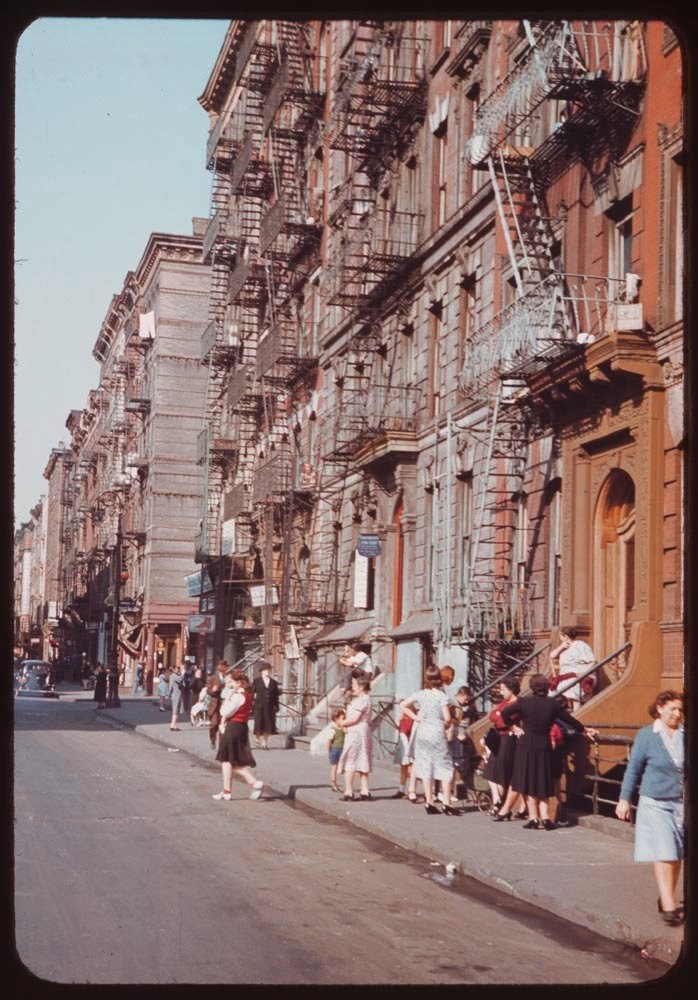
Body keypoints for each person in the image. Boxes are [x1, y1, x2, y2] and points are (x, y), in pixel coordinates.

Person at [615, 691, 685, 926]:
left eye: (680, 710)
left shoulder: (686, 735)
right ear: (660, 708)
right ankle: (668, 906)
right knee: (665, 851)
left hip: (681, 803)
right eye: (673, 708)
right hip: (654, 801)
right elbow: (633, 769)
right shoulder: (647, 735)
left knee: (677, 855)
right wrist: (624, 799)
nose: (677, 714)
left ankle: (666, 897)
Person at [496, 673, 597, 829]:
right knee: (542, 781)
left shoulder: (524, 702)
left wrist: (514, 727)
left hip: (525, 745)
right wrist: (585, 730)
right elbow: (569, 720)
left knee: (528, 782)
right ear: (546, 688)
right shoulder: (553, 704)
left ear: (532, 688)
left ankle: (533, 818)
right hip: (543, 745)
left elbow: (505, 714)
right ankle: (546, 818)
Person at [400, 664, 458, 815]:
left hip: (423, 732)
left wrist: (416, 718)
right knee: (445, 766)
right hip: (437, 732)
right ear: (439, 678)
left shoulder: (420, 694)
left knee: (426, 765)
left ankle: (429, 801)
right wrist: (447, 724)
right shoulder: (441, 696)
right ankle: (447, 802)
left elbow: (403, 705)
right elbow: (446, 718)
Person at [212, 670, 264, 801]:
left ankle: (251, 783)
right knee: (230, 760)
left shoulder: (237, 696)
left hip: (233, 727)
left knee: (227, 760)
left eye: (233, 682)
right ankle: (228, 790)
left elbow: (225, 711)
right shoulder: (248, 695)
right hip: (241, 727)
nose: (231, 685)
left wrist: (227, 699)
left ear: (239, 683)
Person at [482, 678, 522, 816]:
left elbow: (502, 721)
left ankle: (500, 805)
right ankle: (497, 801)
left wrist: (499, 715)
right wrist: (498, 715)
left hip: (508, 739)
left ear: (511, 689)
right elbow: (492, 716)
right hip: (499, 738)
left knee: (501, 772)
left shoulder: (517, 703)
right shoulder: (504, 703)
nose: (501, 692)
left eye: (503, 689)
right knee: (490, 770)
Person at [337, 668, 373, 801]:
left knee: (350, 760)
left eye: (354, 685)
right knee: (362, 759)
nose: (352, 687)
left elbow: (354, 719)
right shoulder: (360, 699)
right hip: (359, 731)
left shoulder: (363, 699)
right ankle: (364, 790)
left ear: (362, 686)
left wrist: (342, 723)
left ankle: (348, 791)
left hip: (356, 732)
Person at [549, 626, 597, 712]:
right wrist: (561, 647)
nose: (560, 638)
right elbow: (552, 656)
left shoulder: (580, 645)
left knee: (572, 685)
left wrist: (583, 673)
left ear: (566, 637)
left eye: (561, 636)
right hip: (565, 677)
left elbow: (592, 661)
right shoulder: (564, 647)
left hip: (581, 675)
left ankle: (576, 713)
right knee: (551, 690)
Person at [251, 660, 281, 750]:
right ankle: (257, 738)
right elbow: (252, 693)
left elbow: (275, 696)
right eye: (265, 670)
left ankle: (265, 743)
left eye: (269, 670)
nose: (267, 672)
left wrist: (276, 706)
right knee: (259, 722)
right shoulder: (257, 681)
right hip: (259, 706)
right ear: (262, 671)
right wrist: (252, 704)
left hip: (269, 707)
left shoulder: (273, 682)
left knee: (268, 724)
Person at [392, 703, 415, 799]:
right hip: (404, 744)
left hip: (409, 745)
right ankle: (402, 789)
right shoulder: (404, 718)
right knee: (404, 768)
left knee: (411, 769)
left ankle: (411, 790)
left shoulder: (409, 718)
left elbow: (404, 732)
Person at [206, 660, 229, 751]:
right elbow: (208, 690)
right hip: (215, 704)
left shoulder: (228, 678)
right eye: (221, 670)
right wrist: (213, 690)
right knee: (214, 724)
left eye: (224, 669)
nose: (223, 671)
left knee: (222, 725)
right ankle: (212, 739)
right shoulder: (213, 678)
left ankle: (221, 744)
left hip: (225, 704)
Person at [328, 708, 346, 792]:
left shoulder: (343, 728)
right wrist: (329, 751)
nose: (344, 720)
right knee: (334, 767)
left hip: (343, 749)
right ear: (336, 719)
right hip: (335, 750)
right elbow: (329, 742)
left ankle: (347, 785)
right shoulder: (333, 730)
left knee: (344, 767)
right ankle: (333, 784)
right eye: (342, 719)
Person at [168, 663, 185, 731]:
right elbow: (180, 679)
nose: (178, 670)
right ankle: (172, 725)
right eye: (177, 669)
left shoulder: (174, 675)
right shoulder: (173, 675)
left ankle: (174, 725)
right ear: (173, 670)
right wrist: (183, 671)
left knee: (177, 710)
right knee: (175, 710)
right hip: (176, 695)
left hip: (177, 694)